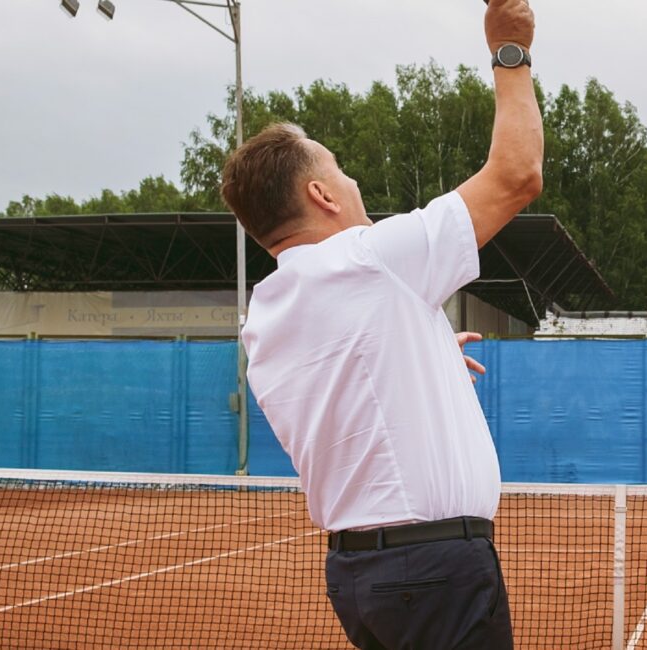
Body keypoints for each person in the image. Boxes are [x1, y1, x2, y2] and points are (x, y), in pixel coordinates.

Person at [219, 0, 542, 646]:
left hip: (359, 576)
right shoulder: (364, 262)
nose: (354, 179)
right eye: (340, 169)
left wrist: (415, 342)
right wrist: (511, 49)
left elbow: (349, 382)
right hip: (435, 574)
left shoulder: (266, 317)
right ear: (322, 196)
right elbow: (516, 175)